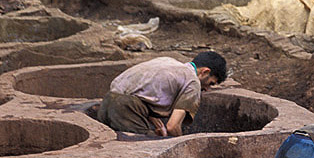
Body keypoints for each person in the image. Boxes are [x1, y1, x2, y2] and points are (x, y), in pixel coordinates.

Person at [97, 51, 227, 137]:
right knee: (147, 145)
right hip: (125, 110)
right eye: (210, 83)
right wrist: (180, 145)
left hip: (107, 102)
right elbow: (172, 126)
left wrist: (153, 119)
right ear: (205, 72)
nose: (207, 89)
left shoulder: (167, 61)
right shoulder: (193, 82)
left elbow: (141, 93)